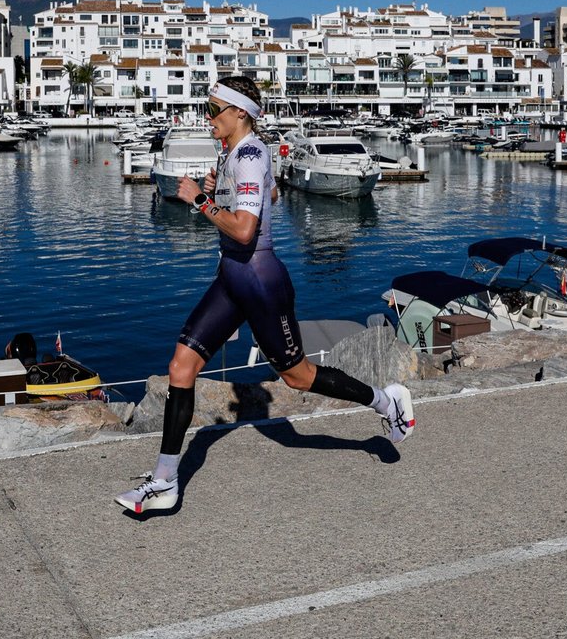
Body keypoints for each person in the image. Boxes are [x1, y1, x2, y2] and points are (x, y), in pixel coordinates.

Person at [114, 77, 414, 514]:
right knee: (181, 367)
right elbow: (269, 195)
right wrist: (221, 190)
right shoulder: (238, 153)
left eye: (214, 109)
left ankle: (387, 401)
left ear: (240, 112)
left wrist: (199, 200)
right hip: (232, 278)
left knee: (298, 376)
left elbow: (245, 228)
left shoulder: (251, 153)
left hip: (259, 281)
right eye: (207, 107)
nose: (207, 117)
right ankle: (164, 481)